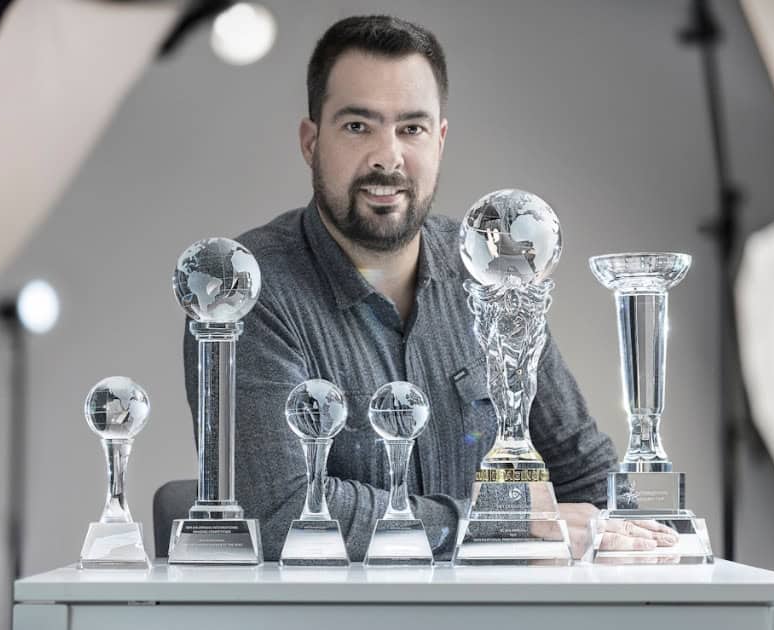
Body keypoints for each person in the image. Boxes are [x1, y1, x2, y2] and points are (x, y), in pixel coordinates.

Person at [181, 15, 677, 561]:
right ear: (310, 141)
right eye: (357, 126)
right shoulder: (246, 292)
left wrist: (642, 530)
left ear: (439, 141)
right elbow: (282, 513)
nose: (387, 157)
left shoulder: (491, 267)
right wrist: (499, 522)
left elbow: (584, 471)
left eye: (411, 128)